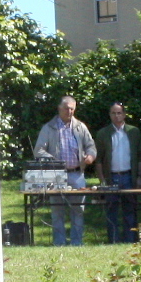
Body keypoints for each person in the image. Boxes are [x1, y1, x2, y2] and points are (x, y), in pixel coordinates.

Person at [33, 96, 96, 246]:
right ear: (59, 108)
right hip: (56, 175)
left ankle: (77, 243)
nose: (69, 111)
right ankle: (59, 243)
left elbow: (91, 146)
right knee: (57, 211)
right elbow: (38, 150)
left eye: (72, 109)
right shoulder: (49, 128)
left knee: (78, 210)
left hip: (77, 173)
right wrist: (53, 160)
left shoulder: (80, 127)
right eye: (67, 108)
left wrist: (90, 156)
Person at [95, 102, 141, 243]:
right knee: (111, 212)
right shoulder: (103, 133)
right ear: (109, 115)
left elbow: (140, 155)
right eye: (113, 113)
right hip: (112, 177)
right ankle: (114, 242)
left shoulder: (133, 132)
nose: (116, 116)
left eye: (119, 113)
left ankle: (130, 242)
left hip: (129, 176)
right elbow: (99, 159)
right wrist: (102, 180)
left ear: (124, 114)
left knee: (130, 211)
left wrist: (139, 177)